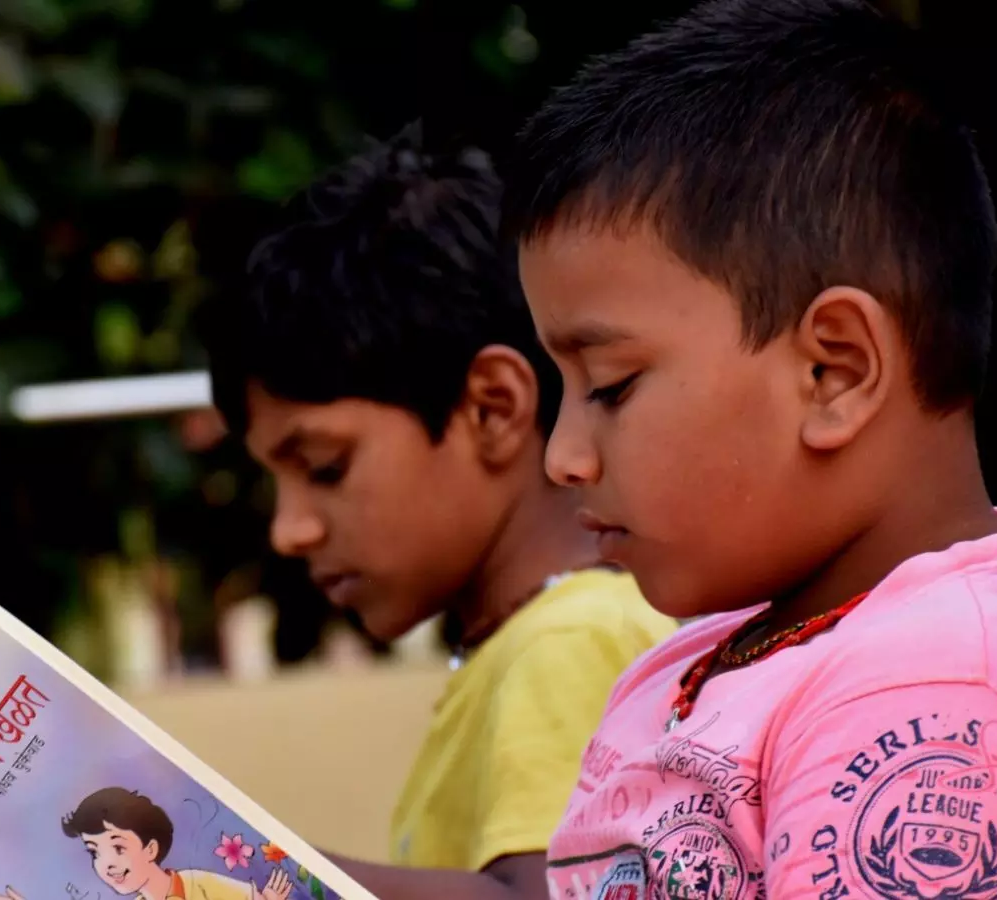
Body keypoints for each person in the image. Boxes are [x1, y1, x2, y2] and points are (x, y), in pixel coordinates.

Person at [502, 1, 997, 898]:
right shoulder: (726, 653)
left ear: (834, 372)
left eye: (611, 386)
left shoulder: (950, 706)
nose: (564, 458)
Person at [200, 123, 678, 900]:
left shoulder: (567, 643)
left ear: (492, 410)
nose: (290, 530)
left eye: (325, 466)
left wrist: (249, 873)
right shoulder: (523, 648)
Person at [0, 787, 293, 900]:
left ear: (150, 849)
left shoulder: (196, 885)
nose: (107, 864)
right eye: (95, 851)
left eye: (118, 847)